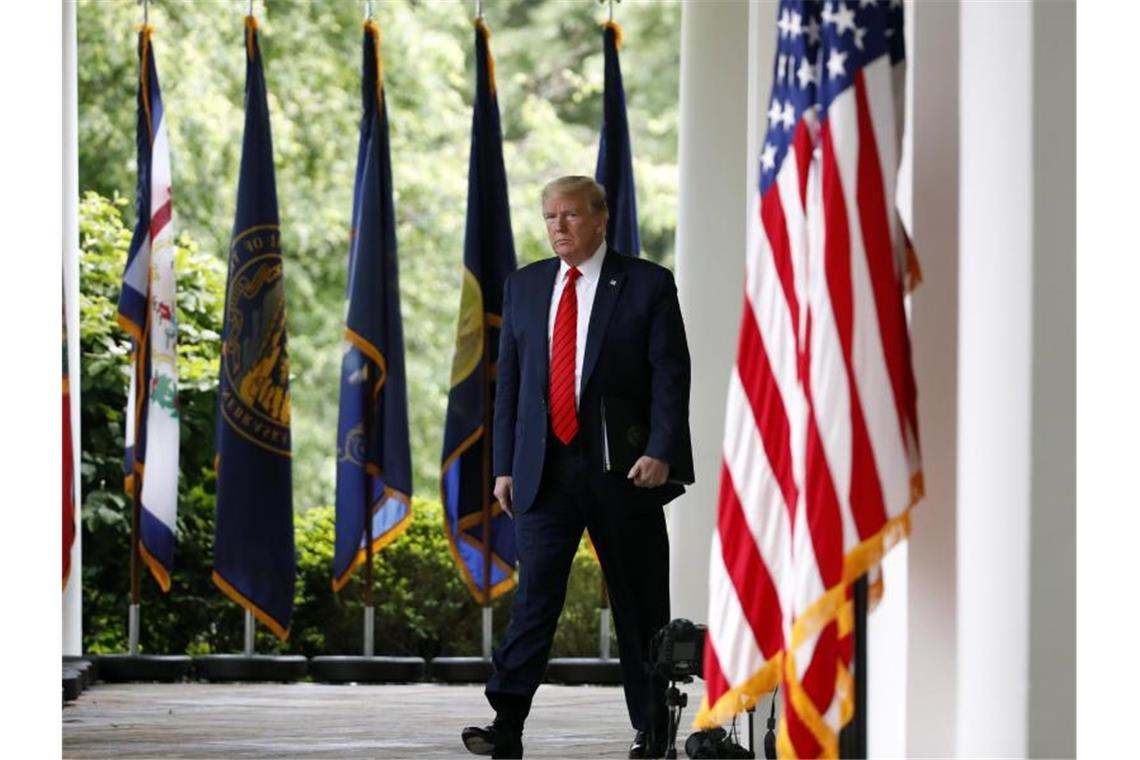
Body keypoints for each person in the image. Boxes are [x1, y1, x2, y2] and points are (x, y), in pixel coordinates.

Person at [461, 176, 693, 759]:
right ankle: (506, 723)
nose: (559, 227)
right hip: (545, 471)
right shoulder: (526, 285)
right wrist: (506, 467)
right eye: (550, 218)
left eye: (569, 216)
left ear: (600, 219)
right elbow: (510, 383)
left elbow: (670, 375)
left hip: (624, 469)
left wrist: (661, 450)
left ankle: (655, 728)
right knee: (535, 597)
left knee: (639, 602)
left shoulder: (646, 284)